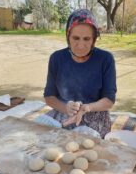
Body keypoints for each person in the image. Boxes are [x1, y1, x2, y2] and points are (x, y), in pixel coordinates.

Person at [43, 9, 117, 139]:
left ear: (94, 39)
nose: (81, 45)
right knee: (42, 140)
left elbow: (109, 101)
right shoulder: (57, 58)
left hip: (94, 113)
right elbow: (49, 96)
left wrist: (86, 108)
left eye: (87, 39)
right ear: (67, 36)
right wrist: (66, 108)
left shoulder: (105, 59)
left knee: (86, 149)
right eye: (76, 38)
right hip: (63, 112)